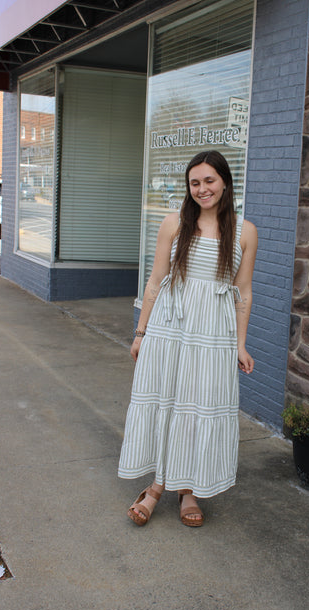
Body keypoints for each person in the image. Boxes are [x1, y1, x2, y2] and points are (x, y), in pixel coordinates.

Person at [118, 150, 258, 527]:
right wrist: (141, 332)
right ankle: (156, 486)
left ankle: (188, 490)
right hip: (170, 328)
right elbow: (155, 281)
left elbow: (242, 292)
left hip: (213, 334)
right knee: (167, 402)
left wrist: (240, 345)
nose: (202, 189)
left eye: (209, 180)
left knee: (197, 406)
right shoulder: (174, 225)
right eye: (194, 183)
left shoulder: (244, 232)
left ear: (225, 182)